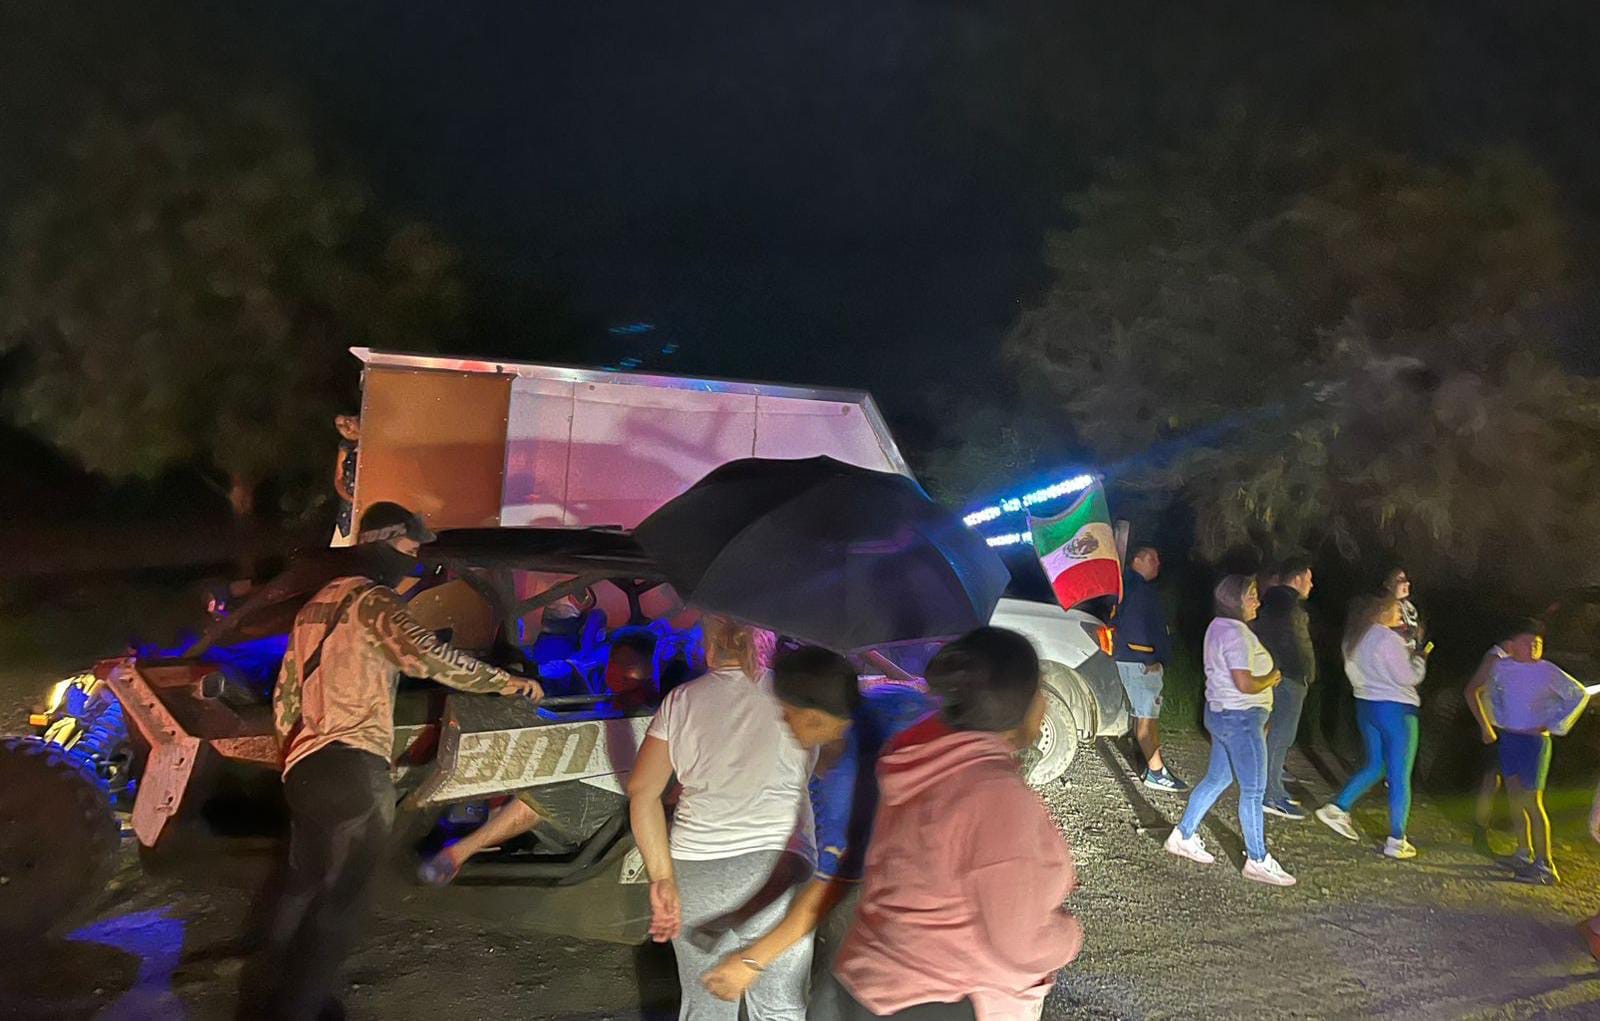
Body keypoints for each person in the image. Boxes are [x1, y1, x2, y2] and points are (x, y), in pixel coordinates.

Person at [238, 502, 543, 1020]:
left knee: (301, 888)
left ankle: (265, 996)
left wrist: (296, 757)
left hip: (306, 768)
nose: (415, 557)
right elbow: (429, 657)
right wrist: (507, 683)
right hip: (355, 771)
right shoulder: (373, 601)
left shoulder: (315, 606)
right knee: (341, 905)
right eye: (409, 547)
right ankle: (297, 1009)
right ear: (383, 544)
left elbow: (285, 696)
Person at [826, 627, 1083, 1020]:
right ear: (1020, 703)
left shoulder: (924, 757)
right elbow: (1018, 943)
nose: (1044, 702)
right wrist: (1068, 935)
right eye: (1040, 690)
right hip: (930, 1002)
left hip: (867, 981)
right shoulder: (994, 795)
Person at [699, 646, 933, 1006]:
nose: (783, 722)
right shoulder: (885, 701)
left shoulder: (845, 779)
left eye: (787, 712)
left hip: (901, 913)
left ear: (812, 717)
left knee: (832, 1003)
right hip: (925, 884)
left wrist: (750, 962)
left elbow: (829, 886)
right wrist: (744, 912)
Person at [628, 616, 816, 1021]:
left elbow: (642, 792)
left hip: (697, 866)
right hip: (777, 866)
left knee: (705, 1006)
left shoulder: (681, 702)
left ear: (709, 646)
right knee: (780, 1006)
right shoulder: (798, 697)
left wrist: (661, 877)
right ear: (766, 640)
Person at [416, 633, 658, 886]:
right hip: (581, 788)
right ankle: (472, 831)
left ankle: (459, 852)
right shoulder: (614, 703)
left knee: (544, 792)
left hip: (588, 807)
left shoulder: (642, 715)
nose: (621, 673)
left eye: (630, 667)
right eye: (617, 664)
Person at [1165, 575, 1295, 887]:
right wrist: (1272, 678)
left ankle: (1182, 835)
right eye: (1251, 595)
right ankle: (1258, 859)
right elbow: (1245, 683)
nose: (1257, 602)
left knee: (1219, 778)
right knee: (1253, 790)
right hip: (1241, 718)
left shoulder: (1217, 627)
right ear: (1234, 599)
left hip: (1222, 713)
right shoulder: (1235, 633)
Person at [1468, 619, 1588, 885]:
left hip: (1535, 742)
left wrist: (1554, 723)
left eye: (1538, 643)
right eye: (1527, 642)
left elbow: (1578, 695)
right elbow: (1489, 692)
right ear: (1513, 645)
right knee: (1514, 798)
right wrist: (1498, 720)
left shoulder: (1548, 671)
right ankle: (1524, 852)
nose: (1533, 646)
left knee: (1532, 801)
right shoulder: (1502, 668)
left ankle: (1545, 864)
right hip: (1510, 738)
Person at [1313, 598, 1427, 859]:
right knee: (1400, 774)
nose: (1401, 617)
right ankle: (1397, 839)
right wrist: (1420, 659)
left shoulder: (1354, 639)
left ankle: (1338, 807)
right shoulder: (1388, 639)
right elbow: (1409, 677)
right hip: (1397, 709)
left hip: (1366, 706)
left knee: (1376, 764)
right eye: (1397, 611)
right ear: (1382, 611)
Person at [1112, 545, 1187, 792]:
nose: (1157, 563)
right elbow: (1136, 627)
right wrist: (1151, 656)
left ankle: (1152, 766)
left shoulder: (1130, 587)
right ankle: (1156, 772)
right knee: (1148, 718)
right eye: (1152, 558)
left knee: (1142, 715)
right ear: (1137, 560)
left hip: (1136, 659)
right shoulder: (1138, 590)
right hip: (1141, 662)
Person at [1254, 557, 1317, 820]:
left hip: (1281, 677)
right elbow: (1293, 645)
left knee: (1276, 735)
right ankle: (1271, 794)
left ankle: (1270, 788)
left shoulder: (1273, 603)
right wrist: (1301, 673)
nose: (1311, 585)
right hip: (1288, 679)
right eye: (1309, 579)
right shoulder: (1288, 607)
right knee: (1281, 737)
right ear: (1298, 578)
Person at [1463, 638, 1519, 860]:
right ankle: (1480, 832)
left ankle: (1496, 830)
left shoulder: (1510, 660)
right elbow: (1472, 691)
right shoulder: (1495, 659)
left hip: (1510, 729)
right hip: (1497, 728)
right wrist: (1485, 726)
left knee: (1502, 782)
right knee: (1492, 782)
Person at [1382, 566, 1423, 654]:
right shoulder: (1381, 610)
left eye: (1406, 580)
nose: (1407, 583)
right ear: (1387, 585)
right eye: (1400, 579)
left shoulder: (1410, 607)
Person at [333, 414, 360, 540]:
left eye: (348, 421)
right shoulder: (345, 447)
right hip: (351, 505)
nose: (347, 429)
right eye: (340, 426)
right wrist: (349, 498)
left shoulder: (373, 441)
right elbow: (338, 478)